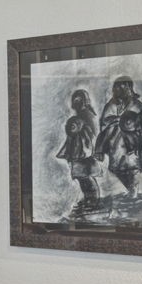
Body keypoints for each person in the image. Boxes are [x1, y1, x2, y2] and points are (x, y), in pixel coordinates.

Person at [92, 76, 142, 194]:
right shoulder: (111, 105)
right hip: (115, 145)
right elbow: (104, 123)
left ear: (128, 87)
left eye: (120, 87)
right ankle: (131, 192)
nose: (116, 89)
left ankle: (133, 194)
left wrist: (133, 128)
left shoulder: (138, 106)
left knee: (132, 170)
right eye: (115, 87)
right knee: (118, 170)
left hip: (132, 145)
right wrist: (116, 121)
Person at [55, 88, 101, 216]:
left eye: (79, 100)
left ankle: (93, 201)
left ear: (85, 101)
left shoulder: (88, 115)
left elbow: (93, 134)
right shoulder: (79, 116)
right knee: (81, 177)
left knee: (87, 177)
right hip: (77, 152)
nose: (77, 102)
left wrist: (86, 143)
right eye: (75, 100)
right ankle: (88, 199)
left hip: (85, 153)